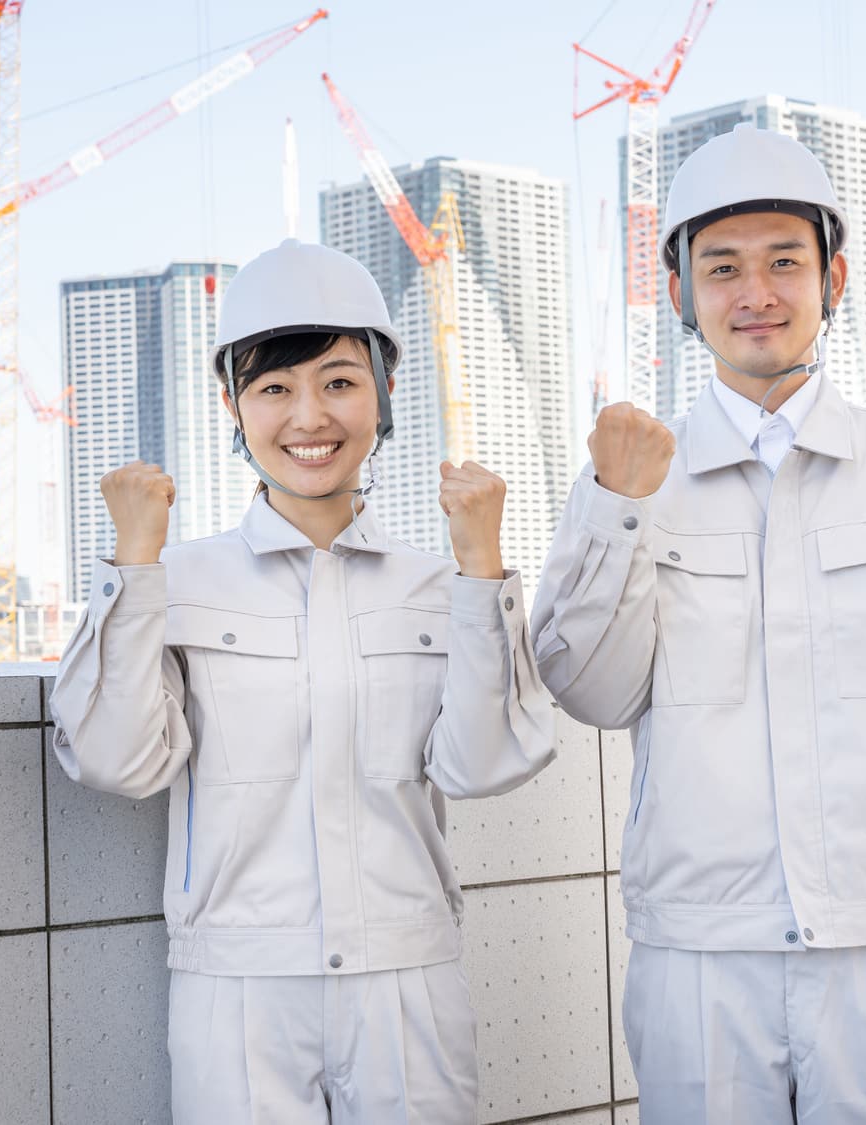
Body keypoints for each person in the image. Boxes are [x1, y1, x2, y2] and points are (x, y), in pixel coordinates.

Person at [531, 123, 866, 1124]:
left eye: (784, 261)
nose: (755, 294)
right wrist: (614, 504)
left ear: (834, 277)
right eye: (721, 267)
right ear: (681, 292)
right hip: (698, 950)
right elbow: (591, 692)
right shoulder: (635, 472)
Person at [50, 238, 556, 1124]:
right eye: (274, 388)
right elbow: (116, 761)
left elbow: (481, 765)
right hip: (239, 986)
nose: (308, 416)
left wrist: (483, 569)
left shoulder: (437, 584)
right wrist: (133, 564)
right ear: (233, 407)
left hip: (408, 979)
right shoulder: (180, 579)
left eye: (338, 381)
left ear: (383, 394)